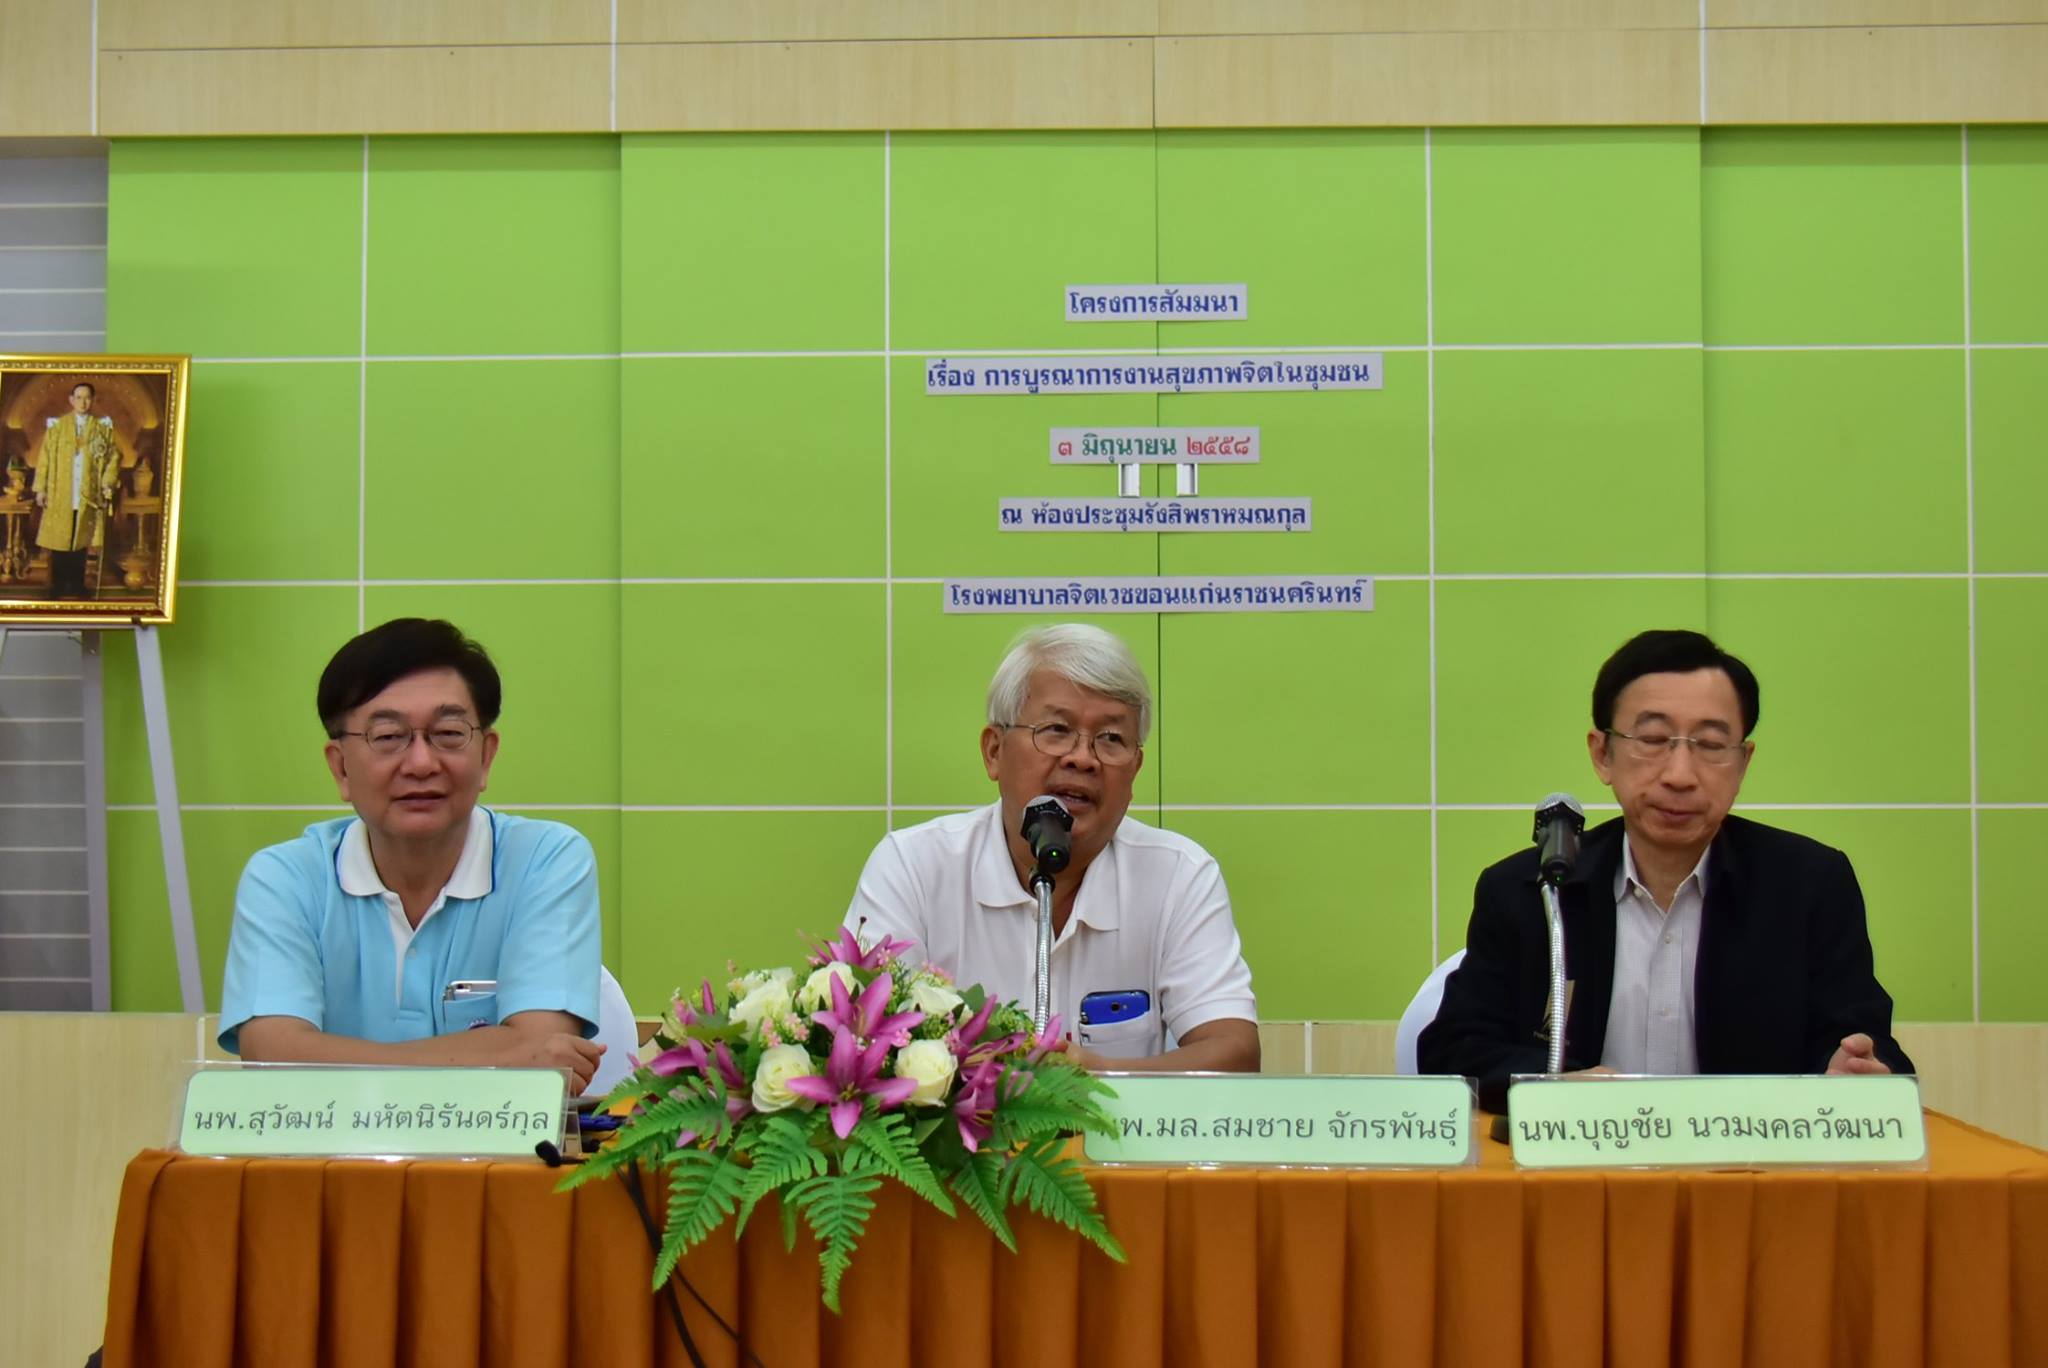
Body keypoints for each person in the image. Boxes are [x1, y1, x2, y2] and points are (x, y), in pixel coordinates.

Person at [1420, 629, 1913, 1111]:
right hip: (1582, 1157)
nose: (1679, 775)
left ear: (1743, 763)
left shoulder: (1809, 885)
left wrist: (1859, 1070)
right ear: (1602, 754)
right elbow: (1453, 1051)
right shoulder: (1533, 890)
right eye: (1653, 739)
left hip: (1749, 1160)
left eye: (1711, 744)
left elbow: (1862, 1040)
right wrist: (1556, 1088)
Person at [845, 623, 1259, 1072]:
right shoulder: (913, 867)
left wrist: (1094, 1073)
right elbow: (863, 1044)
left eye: (1111, 739)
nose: (1082, 758)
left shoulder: (1178, 876)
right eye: (1057, 730)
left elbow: (1234, 1053)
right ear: (994, 752)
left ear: (1135, 769)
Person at [218, 618, 605, 1092]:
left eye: (448, 733)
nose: (421, 763)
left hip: (494, 1143)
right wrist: (500, 1055)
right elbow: (273, 1057)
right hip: (332, 1143)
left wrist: (326, 1059)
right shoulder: (283, 878)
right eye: (388, 737)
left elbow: (545, 1064)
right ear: (341, 768)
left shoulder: (547, 860)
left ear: (486, 757)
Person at [33, 381, 120, 599]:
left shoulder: (102, 429)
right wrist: (41, 489)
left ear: (93, 400)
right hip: (61, 491)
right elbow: (44, 458)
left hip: (87, 493)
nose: (83, 402)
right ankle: (58, 585)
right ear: (71, 400)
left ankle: (77, 585)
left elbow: (113, 457)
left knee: (81, 539)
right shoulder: (58, 428)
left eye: (87, 398)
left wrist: (107, 482)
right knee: (60, 539)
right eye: (79, 397)